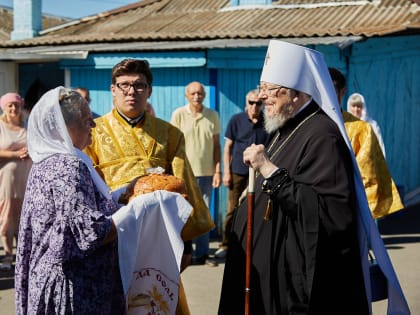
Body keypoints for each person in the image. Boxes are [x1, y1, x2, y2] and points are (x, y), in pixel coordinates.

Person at [84, 59, 214, 315]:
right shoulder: (93, 132)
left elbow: (184, 187)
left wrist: (186, 244)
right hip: (114, 235)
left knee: (158, 301)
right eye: (123, 86)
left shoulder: (170, 134)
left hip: (160, 238)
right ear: (112, 89)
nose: (131, 92)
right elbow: (86, 188)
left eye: (138, 85)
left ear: (149, 90)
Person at [14, 87, 125, 314]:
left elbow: (74, 213)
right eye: (86, 120)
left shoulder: (47, 160)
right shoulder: (69, 167)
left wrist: (124, 194)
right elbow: (89, 233)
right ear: (62, 128)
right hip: (72, 291)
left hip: (51, 283)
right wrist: (136, 213)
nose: (93, 125)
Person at [329, 68, 403, 219]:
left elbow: (368, 171)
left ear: (342, 92)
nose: (356, 109)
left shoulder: (363, 127)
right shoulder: (304, 124)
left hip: (347, 208)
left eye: (359, 106)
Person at [170, 81, 221, 266]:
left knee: (204, 215)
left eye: (200, 93)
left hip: (206, 173)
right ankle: (184, 254)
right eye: (193, 93)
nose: (196, 96)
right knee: (183, 215)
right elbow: (172, 143)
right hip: (183, 174)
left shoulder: (212, 115)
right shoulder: (178, 115)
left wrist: (217, 171)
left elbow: (216, 145)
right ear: (187, 96)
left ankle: (203, 254)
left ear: (204, 95)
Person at [215, 89, 268, 259]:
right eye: (251, 103)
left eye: (258, 103)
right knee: (233, 210)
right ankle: (226, 244)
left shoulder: (268, 122)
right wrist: (226, 172)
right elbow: (227, 147)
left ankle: (252, 245)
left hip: (260, 173)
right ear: (246, 104)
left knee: (257, 208)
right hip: (238, 171)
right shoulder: (236, 120)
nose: (254, 106)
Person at [0, 93, 32, 270]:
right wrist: (14, 154)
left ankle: (21, 255)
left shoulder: (27, 127)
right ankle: (7, 254)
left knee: (23, 217)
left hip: (26, 177)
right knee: (7, 216)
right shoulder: (1, 126)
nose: (13, 109)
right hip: (6, 179)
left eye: (16, 105)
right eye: (10, 105)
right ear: (4, 107)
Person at [347, 92, 386, 157]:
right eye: (353, 106)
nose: (356, 109)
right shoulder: (346, 124)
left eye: (358, 106)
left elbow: (380, 145)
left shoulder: (372, 124)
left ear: (363, 107)